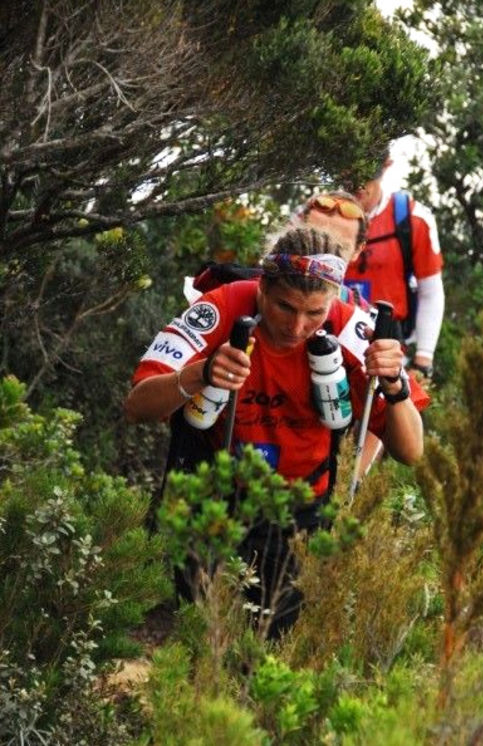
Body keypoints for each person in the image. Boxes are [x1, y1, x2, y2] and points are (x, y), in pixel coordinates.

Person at [125, 224, 429, 636]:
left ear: (333, 301)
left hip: (300, 508)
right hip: (214, 497)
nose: (297, 326)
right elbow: (137, 405)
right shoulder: (223, 307)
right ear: (262, 288)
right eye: (285, 307)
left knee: (273, 648)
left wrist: (394, 386)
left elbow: (411, 451)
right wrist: (202, 373)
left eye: (314, 312)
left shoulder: (351, 328)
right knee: (202, 635)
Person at [344, 154, 445, 381]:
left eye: (367, 173)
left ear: (386, 164)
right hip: (331, 342)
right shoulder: (317, 216)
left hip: (393, 347)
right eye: (349, 172)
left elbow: (431, 291)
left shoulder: (413, 218)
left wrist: (423, 359)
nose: (358, 184)